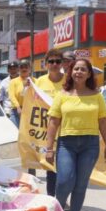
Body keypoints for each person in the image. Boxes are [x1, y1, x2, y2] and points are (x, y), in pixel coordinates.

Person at [45, 58, 106, 211]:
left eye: (83, 69)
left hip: (90, 145)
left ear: (89, 74)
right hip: (67, 143)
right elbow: (53, 122)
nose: (79, 72)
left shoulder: (97, 96)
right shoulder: (62, 94)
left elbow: (103, 121)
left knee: (80, 186)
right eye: (76, 69)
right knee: (64, 182)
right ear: (71, 72)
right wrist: (49, 148)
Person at [36, 49, 66, 197]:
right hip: (46, 129)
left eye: (57, 61)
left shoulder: (69, 81)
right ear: (46, 64)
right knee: (50, 165)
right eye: (51, 61)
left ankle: (61, 196)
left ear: (62, 64)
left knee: (65, 167)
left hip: (66, 129)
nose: (54, 64)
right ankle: (51, 197)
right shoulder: (40, 81)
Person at [8, 60, 35, 127]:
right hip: (16, 112)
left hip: (31, 111)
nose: (24, 69)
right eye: (21, 67)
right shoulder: (13, 82)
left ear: (30, 69)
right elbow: (12, 96)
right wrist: (18, 107)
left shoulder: (35, 81)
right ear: (19, 69)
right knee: (15, 132)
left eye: (26, 67)